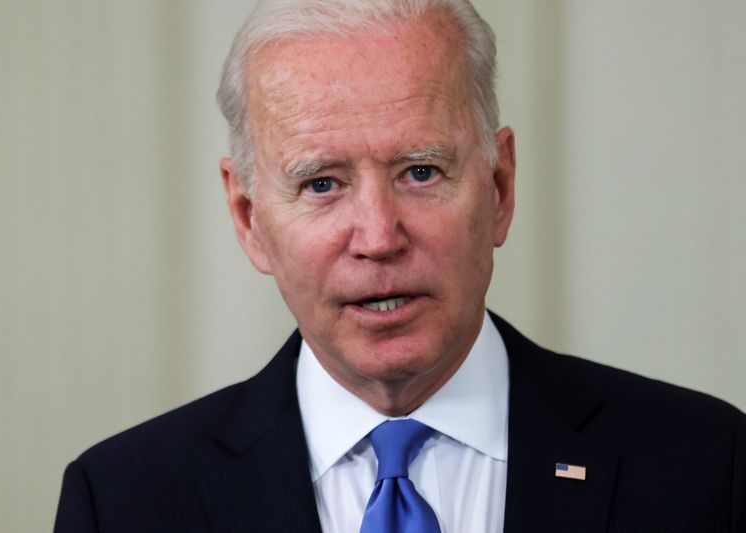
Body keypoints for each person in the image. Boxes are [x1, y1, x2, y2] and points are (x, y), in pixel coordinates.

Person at [54, 1, 746, 532]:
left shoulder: (707, 468)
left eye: (420, 171)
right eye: (322, 183)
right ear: (249, 218)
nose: (379, 237)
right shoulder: (123, 501)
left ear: (500, 188)